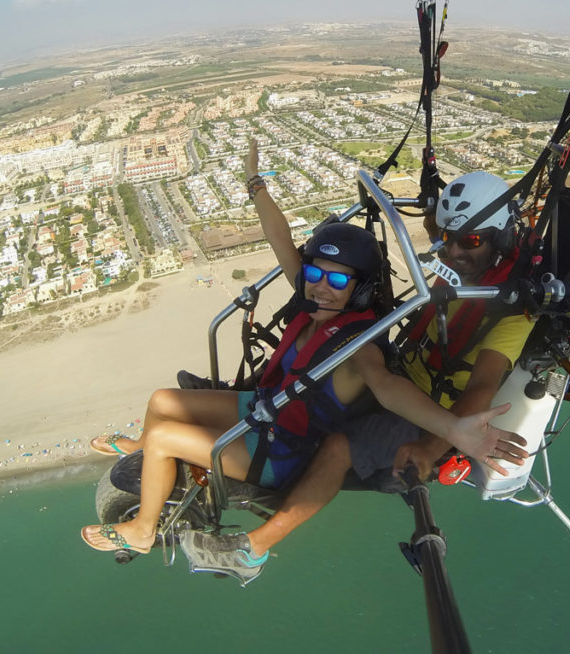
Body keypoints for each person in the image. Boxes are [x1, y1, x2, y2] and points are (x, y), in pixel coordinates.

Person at [81, 145, 526, 557]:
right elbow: (280, 240)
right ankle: (143, 449)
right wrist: (256, 182)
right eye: (315, 274)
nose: (321, 286)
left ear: (357, 290)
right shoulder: (314, 299)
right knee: (161, 402)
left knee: (164, 438)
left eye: (337, 281)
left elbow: (388, 389)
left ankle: (142, 530)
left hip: (281, 449)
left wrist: (454, 430)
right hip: (264, 410)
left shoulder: (355, 340)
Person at [197, 170, 537, 580]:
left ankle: (255, 549)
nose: (454, 251)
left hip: (430, 415)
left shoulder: (510, 312)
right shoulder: (460, 270)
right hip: (404, 375)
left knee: (340, 445)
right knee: (326, 367)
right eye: (447, 238)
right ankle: (251, 430)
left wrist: (433, 447)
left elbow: (482, 385)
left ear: (498, 239)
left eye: (471, 241)